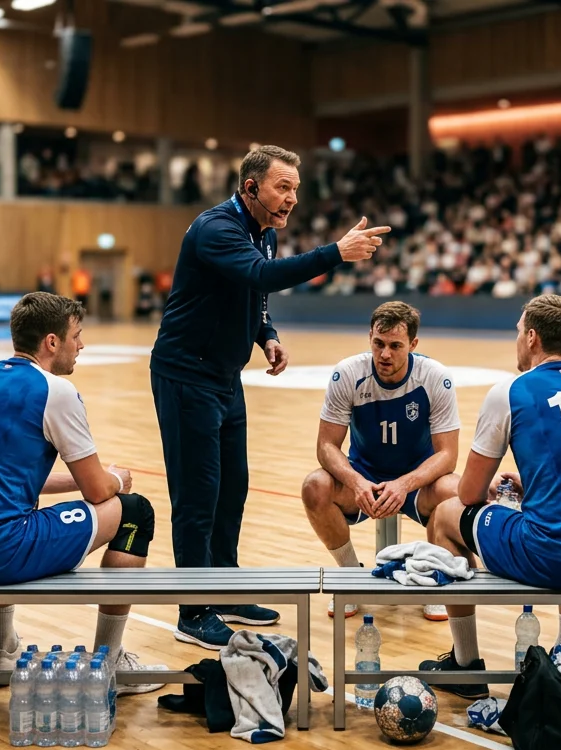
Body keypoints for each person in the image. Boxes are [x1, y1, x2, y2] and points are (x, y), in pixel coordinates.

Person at [151, 144, 391, 650]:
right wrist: (335, 253)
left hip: (223, 377)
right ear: (251, 188)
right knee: (197, 497)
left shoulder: (264, 233)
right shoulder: (217, 228)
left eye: (296, 190)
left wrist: (268, 334)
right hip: (185, 376)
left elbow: (255, 297)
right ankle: (193, 610)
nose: (292, 199)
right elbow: (259, 276)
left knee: (232, 487)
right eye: (284, 188)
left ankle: (226, 586)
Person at [0, 292, 165, 693]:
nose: (81, 346)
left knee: (9, 501)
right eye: (76, 336)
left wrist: (87, 478)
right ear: (52, 342)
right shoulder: (55, 391)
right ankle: (108, 665)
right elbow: (99, 492)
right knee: (134, 512)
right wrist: (116, 478)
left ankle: (2, 648)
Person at [417, 295, 561, 699]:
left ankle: (465, 667)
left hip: (554, 556)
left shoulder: (511, 390)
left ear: (533, 337)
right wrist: (537, 484)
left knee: (445, 513)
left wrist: (494, 493)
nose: (517, 339)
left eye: (519, 331)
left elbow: (470, 493)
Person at [301, 301, 460, 622]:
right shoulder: (348, 374)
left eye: (395, 346)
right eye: (378, 344)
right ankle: (349, 578)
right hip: (366, 478)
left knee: (454, 491)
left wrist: (404, 485)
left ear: (413, 345)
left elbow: (448, 455)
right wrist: (356, 481)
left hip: (417, 481)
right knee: (315, 486)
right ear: (370, 337)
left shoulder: (434, 378)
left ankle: (434, 575)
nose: (385, 354)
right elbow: (326, 446)